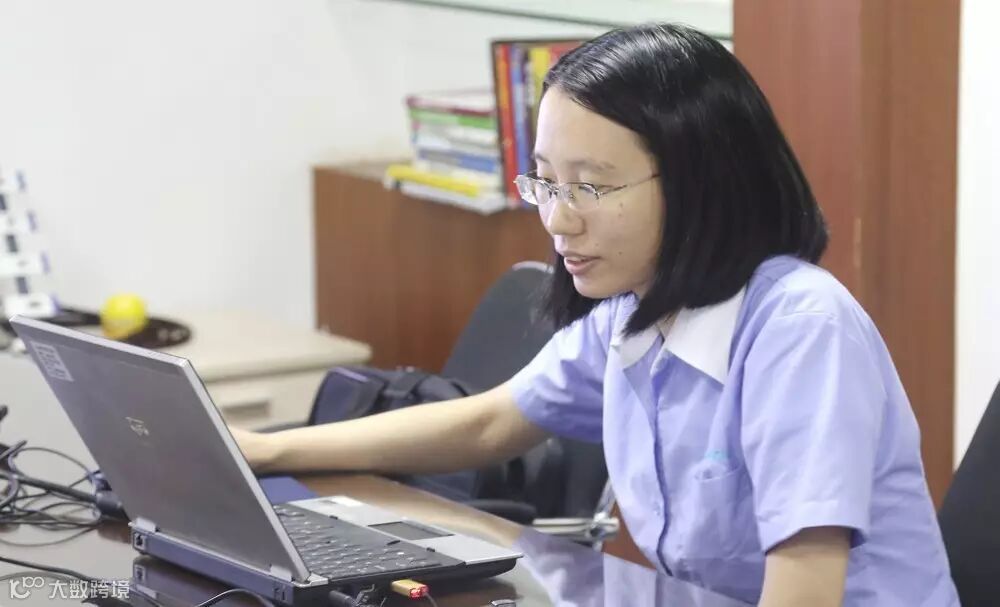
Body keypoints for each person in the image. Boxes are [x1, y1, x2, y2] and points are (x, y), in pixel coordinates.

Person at [232, 23, 959, 607]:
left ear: (701, 183)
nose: (558, 220)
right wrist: (271, 450)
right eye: (547, 182)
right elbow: (492, 421)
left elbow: (805, 591)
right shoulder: (634, 310)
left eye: (591, 186)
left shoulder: (799, 328)